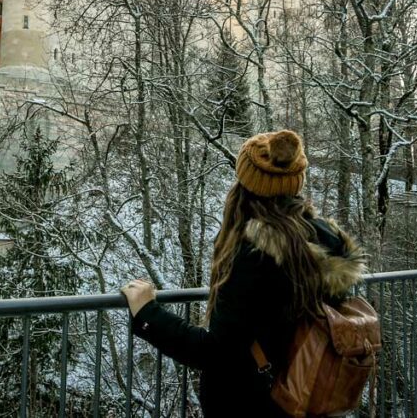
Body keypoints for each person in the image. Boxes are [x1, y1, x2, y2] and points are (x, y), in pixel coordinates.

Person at [121, 130, 368, 417]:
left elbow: (216, 352)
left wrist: (147, 314)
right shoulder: (326, 240)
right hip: (307, 396)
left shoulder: (254, 254)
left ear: (246, 184)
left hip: (253, 403)